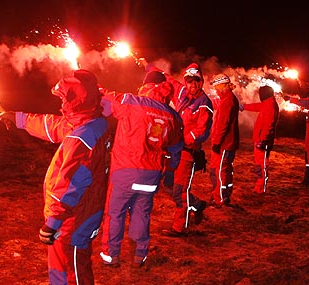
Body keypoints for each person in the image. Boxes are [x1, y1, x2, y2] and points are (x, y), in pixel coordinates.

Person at [0, 70, 109, 285]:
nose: (61, 104)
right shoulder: (92, 123)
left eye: (64, 98)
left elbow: (71, 183)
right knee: (77, 274)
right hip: (83, 215)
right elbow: (52, 126)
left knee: (66, 278)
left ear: (76, 99)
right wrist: (18, 118)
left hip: (72, 220)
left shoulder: (81, 138)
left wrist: (53, 222)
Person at [98, 69, 183, 266]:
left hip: (125, 171)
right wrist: (171, 169)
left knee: (115, 212)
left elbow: (103, 96)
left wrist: (88, 83)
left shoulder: (131, 102)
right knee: (142, 212)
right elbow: (177, 145)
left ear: (145, 85)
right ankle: (140, 254)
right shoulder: (173, 116)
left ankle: (112, 255)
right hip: (151, 175)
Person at [142, 61, 213, 237]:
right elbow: (167, 78)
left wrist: (181, 141)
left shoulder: (204, 104)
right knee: (167, 185)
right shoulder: (182, 92)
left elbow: (202, 131)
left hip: (187, 152)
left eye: (196, 81)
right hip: (174, 151)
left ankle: (180, 227)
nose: (192, 85)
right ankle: (197, 204)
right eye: (189, 81)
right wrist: (148, 65)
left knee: (179, 190)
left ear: (201, 81)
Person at [240, 85, 280, 193]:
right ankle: (260, 185)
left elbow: (269, 125)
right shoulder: (268, 103)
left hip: (263, 141)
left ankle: (261, 187)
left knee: (261, 164)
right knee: (260, 163)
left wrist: (262, 140)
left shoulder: (270, 106)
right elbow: (257, 106)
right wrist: (244, 107)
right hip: (261, 139)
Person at [209, 73, 240, 207]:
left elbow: (222, 124)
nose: (215, 89)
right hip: (228, 143)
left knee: (221, 171)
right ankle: (224, 196)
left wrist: (216, 142)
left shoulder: (228, 101)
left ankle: (220, 198)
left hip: (224, 144)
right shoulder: (228, 98)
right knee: (224, 171)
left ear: (222, 85)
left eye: (216, 86)